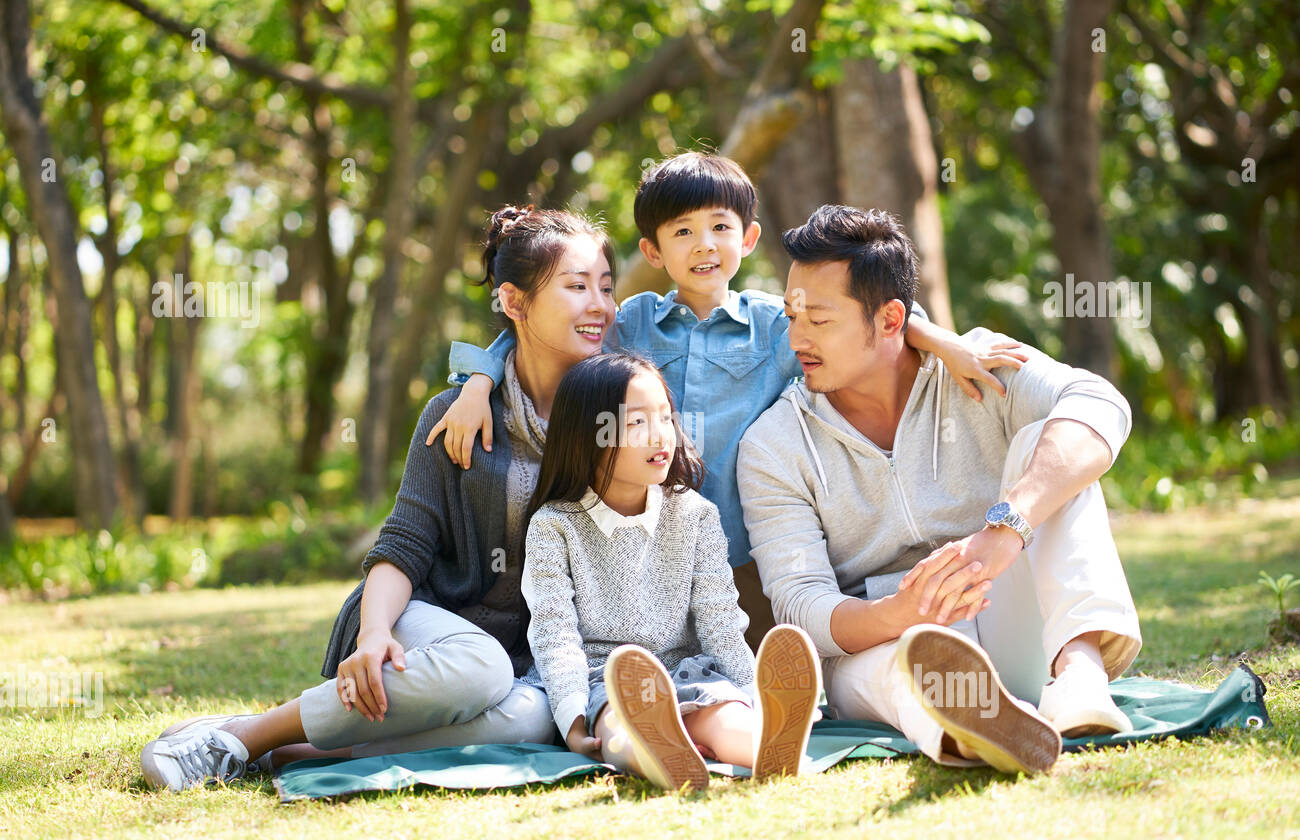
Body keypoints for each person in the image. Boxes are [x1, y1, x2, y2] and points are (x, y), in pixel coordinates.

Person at [428, 151, 1026, 651]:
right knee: (662, 658)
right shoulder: (634, 322)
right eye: (682, 232)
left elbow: (879, 320)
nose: (704, 245)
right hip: (653, 549)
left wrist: (943, 343)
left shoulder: (778, 325)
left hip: (750, 553)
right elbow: (545, 333)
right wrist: (480, 379)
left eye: (719, 226)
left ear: (749, 237)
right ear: (654, 251)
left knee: (764, 664)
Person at [140, 205, 621, 790]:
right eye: (576, 287)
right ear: (514, 303)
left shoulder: (607, 422)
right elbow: (403, 545)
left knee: (530, 720)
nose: (600, 304)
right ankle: (244, 735)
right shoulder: (455, 417)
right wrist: (374, 634)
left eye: (605, 285)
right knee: (479, 668)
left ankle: (298, 752)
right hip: (421, 618)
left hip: (520, 659)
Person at [737, 205, 1143, 776]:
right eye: (791, 316)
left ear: (889, 319)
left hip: (1007, 609)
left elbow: (1102, 406)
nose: (796, 338)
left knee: (1048, 449)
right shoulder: (775, 445)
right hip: (885, 647)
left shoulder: (977, 365)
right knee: (885, 669)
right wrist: (896, 613)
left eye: (820, 321)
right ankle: (966, 726)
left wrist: (1006, 529)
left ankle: (1079, 683)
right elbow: (802, 604)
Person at [520, 351, 822, 791]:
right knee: (619, 724)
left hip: (688, 671)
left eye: (665, 417)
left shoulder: (695, 515)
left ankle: (770, 745)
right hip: (606, 678)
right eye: (637, 422)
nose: (660, 434)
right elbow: (556, 634)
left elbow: (721, 625)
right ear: (589, 433)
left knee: (723, 712)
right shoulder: (554, 526)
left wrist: (752, 694)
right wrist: (572, 716)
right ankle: (661, 752)